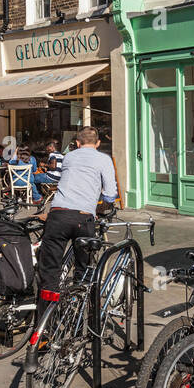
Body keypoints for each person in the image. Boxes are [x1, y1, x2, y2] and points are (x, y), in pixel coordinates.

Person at [25, 127, 119, 374]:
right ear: (98, 143)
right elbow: (110, 193)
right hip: (83, 218)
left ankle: (42, 332)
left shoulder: (70, 157)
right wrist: (103, 203)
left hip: (57, 216)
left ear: (76, 143)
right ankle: (80, 324)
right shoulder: (103, 158)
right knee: (85, 272)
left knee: (50, 275)